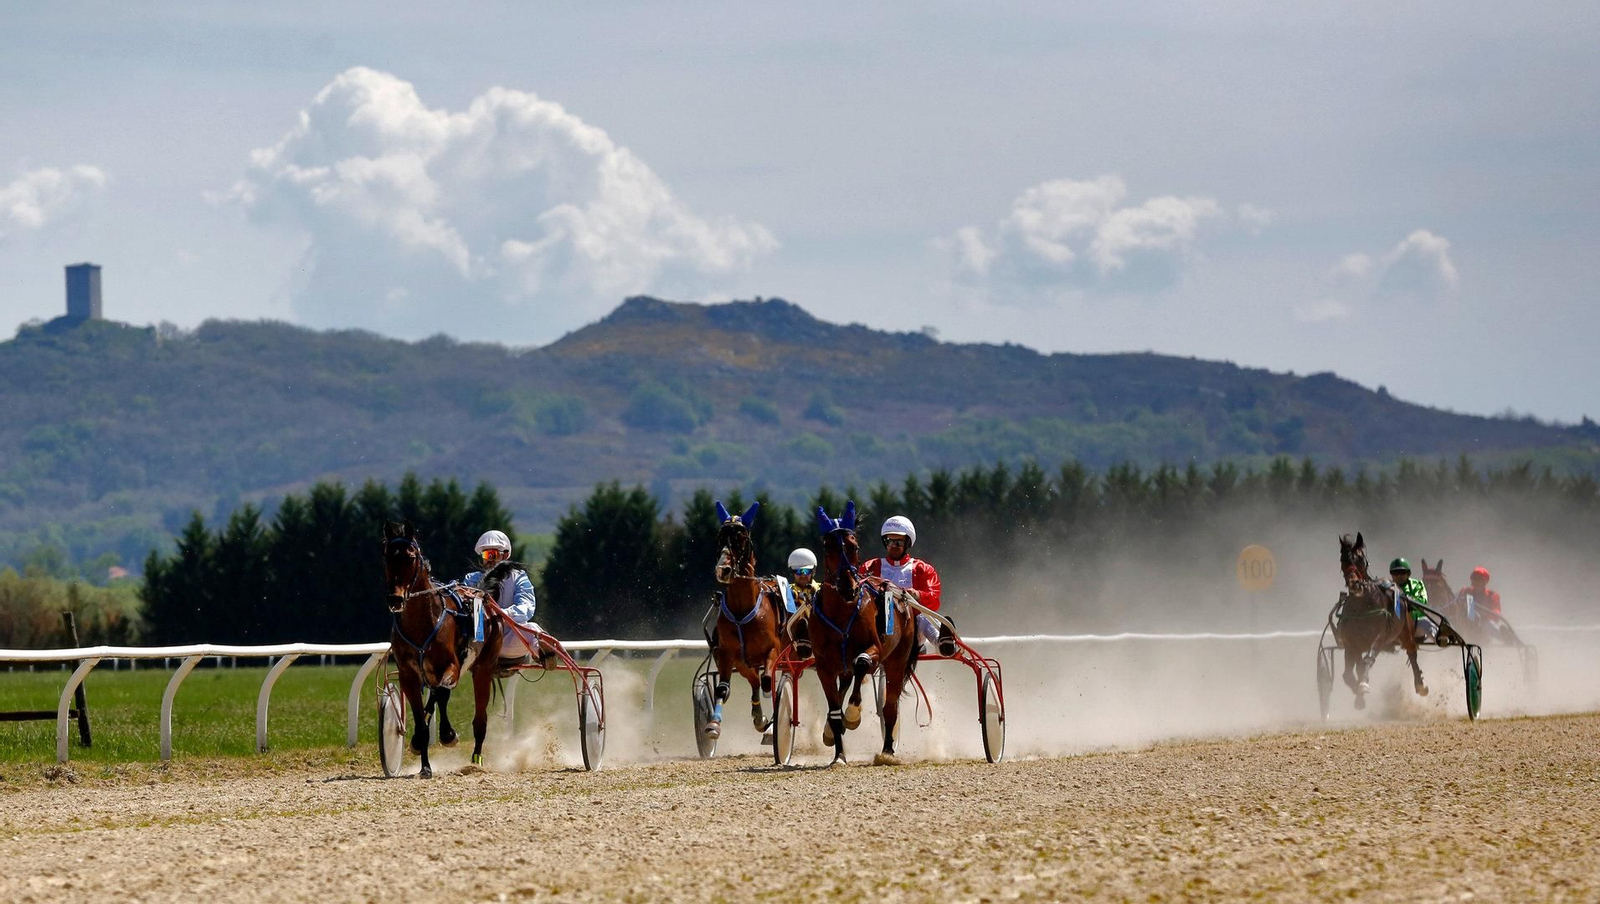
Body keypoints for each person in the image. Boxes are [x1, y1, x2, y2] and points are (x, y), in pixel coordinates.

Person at [861, 515, 956, 656]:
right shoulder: (870, 567)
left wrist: (917, 595)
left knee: (924, 616)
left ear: (907, 543)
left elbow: (934, 599)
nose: (893, 546)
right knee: (883, 607)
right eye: (889, 541)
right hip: (879, 629)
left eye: (898, 542)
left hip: (912, 632)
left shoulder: (922, 569)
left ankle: (942, 643)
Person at [462, 529, 541, 668]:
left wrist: (502, 616)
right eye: (486, 555)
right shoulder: (471, 580)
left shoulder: (518, 577)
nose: (489, 559)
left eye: (493, 554)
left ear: (506, 555)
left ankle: (545, 654)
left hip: (507, 642)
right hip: (477, 643)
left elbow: (527, 607)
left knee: (532, 629)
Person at [1389, 557, 1440, 646]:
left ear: (1408, 574)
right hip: (1394, 626)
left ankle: (1439, 638)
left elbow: (1422, 601)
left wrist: (1408, 602)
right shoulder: (1387, 586)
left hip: (1416, 623)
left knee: (1426, 622)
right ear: (1391, 575)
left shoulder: (1417, 584)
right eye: (1395, 573)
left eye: (1402, 573)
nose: (1399, 576)